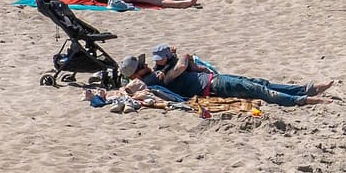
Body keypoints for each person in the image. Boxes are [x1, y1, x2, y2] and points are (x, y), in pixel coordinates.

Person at [124, 45, 332, 107]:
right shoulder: (153, 80)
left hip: (213, 81)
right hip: (213, 85)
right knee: (258, 90)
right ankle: (303, 100)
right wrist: (183, 57)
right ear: (137, 73)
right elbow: (179, 68)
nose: (148, 65)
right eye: (143, 65)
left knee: (258, 83)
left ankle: (306, 89)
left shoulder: (156, 72)